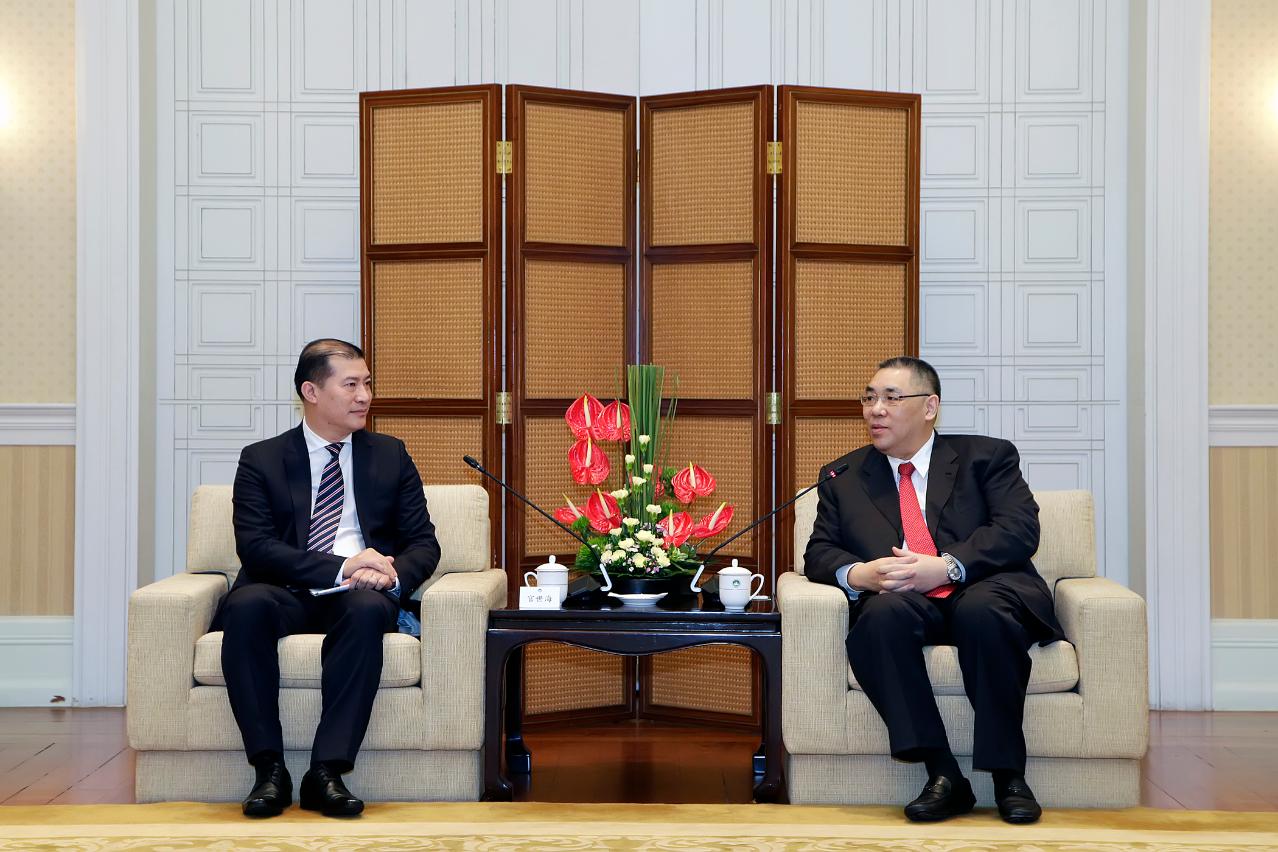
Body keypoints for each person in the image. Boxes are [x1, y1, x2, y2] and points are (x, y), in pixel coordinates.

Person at [804, 356, 1062, 824]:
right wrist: (860, 574)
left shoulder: (987, 457)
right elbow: (819, 552)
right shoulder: (844, 476)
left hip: (983, 588)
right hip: (906, 602)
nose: (875, 409)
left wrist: (946, 567)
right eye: (869, 398)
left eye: (891, 398)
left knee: (982, 612)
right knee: (878, 617)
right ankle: (943, 773)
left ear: (929, 407)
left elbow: (1019, 530)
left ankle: (1008, 775)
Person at [217, 338, 440, 817]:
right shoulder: (261, 459)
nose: (365, 396)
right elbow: (256, 547)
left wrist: (389, 574)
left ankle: (326, 772)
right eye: (351, 385)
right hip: (284, 590)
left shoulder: (390, 455)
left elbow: (424, 542)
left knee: (367, 610)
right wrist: (343, 565)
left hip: (359, 594)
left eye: (368, 384)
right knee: (245, 605)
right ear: (311, 392)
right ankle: (269, 770)